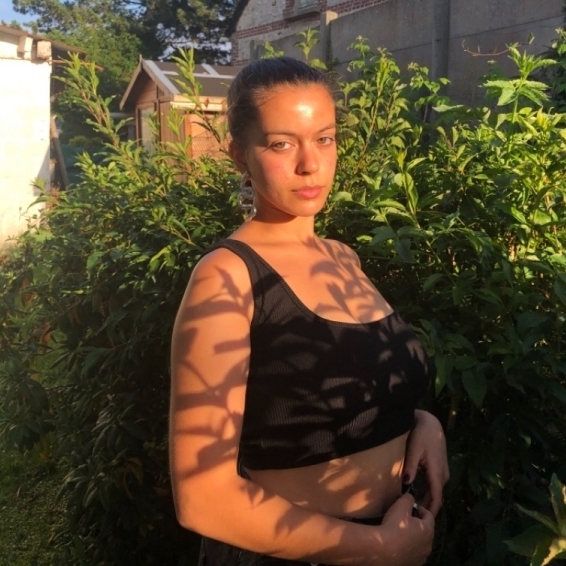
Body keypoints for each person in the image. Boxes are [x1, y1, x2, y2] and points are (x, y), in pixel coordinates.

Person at [169, 57, 449, 566]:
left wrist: (418, 420)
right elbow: (202, 497)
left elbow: (331, 393)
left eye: (324, 138)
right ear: (239, 155)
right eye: (281, 144)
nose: (310, 164)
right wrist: (378, 548)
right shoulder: (228, 277)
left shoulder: (343, 258)